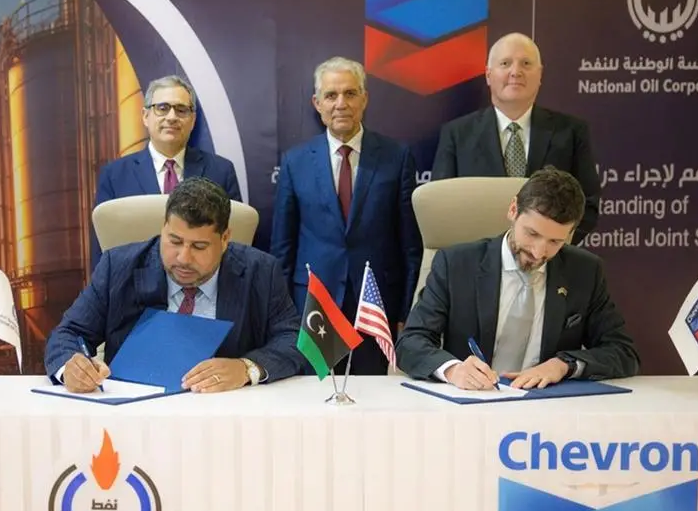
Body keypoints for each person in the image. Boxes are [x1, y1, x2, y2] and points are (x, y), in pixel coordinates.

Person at [46, 178, 304, 393]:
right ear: (163, 228)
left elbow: (293, 339)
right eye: (175, 241)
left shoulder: (260, 272)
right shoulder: (118, 267)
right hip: (135, 416)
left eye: (199, 246)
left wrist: (246, 368)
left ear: (225, 238)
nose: (183, 258)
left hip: (223, 415)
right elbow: (68, 334)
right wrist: (72, 367)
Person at [396, 167, 638, 389]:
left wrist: (564, 365)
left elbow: (623, 352)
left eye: (555, 241)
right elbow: (410, 343)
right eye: (532, 233)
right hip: (474, 401)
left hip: (546, 406)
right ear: (513, 210)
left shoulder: (585, 271)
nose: (539, 252)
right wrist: (453, 370)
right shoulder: (456, 265)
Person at [271, 56, 422, 375]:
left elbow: (410, 245)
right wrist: (283, 315)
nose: (341, 104)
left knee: (372, 396)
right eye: (331, 95)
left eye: (350, 93)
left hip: (374, 305)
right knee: (316, 395)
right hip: (314, 306)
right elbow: (283, 247)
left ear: (364, 99)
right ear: (317, 104)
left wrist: (405, 311)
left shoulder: (396, 156)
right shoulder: (295, 161)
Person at [431, 32, 600, 243]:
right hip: (477, 258)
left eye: (526, 64)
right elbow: (440, 207)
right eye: (505, 63)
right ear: (488, 75)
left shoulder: (571, 132)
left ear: (540, 75)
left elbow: (588, 204)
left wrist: (550, 245)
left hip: (548, 258)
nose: (516, 72)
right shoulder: (457, 135)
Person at [91, 75, 242, 268]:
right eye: (162, 108)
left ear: (193, 120)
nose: (171, 117)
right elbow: (102, 251)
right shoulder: (115, 175)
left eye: (181, 110)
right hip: (135, 283)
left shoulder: (220, 171)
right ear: (145, 116)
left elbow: (235, 245)